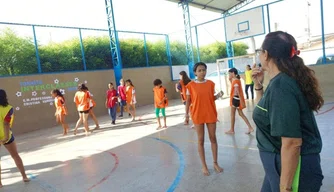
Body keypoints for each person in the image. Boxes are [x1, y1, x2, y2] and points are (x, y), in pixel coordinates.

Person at [252, 31, 324, 192]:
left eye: (260, 51)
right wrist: (258, 86)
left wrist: (285, 187)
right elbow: (264, 113)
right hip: (277, 166)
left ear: (266, 54)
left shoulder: (282, 86)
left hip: (293, 168)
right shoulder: (279, 82)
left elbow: (292, 142)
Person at [185, 62, 224, 176]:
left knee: (213, 138)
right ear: (195, 72)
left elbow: (210, 98)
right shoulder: (190, 86)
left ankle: (215, 163)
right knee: (200, 140)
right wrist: (187, 115)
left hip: (210, 114)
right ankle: (204, 165)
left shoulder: (211, 84)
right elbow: (188, 101)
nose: (202, 72)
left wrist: (218, 96)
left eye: (204, 70)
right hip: (197, 115)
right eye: (200, 70)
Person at [0, 89, 30, 187]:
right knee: (15, 156)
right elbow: (6, 123)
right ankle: (24, 176)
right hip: (7, 136)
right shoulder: (9, 108)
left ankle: (0, 183)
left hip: (5, 136)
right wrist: (6, 137)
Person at [225, 68, 254, 135]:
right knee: (241, 114)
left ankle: (232, 129)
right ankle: (250, 127)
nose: (229, 74)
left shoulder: (235, 81)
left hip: (235, 99)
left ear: (232, 73)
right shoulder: (236, 80)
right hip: (237, 99)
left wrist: (239, 100)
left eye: (229, 73)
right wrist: (230, 80)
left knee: (232, 114)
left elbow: (236, 91)